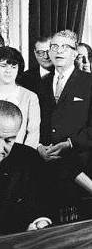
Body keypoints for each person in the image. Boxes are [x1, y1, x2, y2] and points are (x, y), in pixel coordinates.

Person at [37, 30, 92, 207]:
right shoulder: (40, 83)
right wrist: (39, 147)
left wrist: (70, 143)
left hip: (83, 167)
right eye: (54, 46)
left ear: (75, 52)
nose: (58, 51)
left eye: (64, 47)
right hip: (47, 168)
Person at [0, 100, 52, 234]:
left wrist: (40, 221)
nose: (1, 148)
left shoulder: (28, 158)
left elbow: (39, 204)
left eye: (8, 140)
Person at [0, 47, 40, 149]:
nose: (8, 71)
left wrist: (23, 157)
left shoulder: (30, 97)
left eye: (13, 67)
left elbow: (33, 133)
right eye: (3, 65)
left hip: (18, 156)